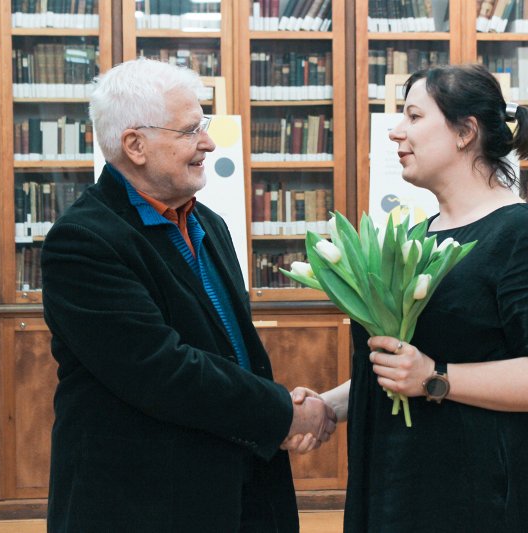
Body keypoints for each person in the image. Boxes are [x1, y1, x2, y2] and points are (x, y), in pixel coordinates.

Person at [290, 64, 528, 531]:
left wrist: (438, 379)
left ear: (465, 132)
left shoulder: (522, 236)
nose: (395, 132)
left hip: (482, 500)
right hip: (401, 487)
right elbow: (401, 364)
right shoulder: (416, 238)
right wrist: (328, 406)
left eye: (413, 116)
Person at [41, 58, 336, 532]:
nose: (209, 143)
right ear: (134, 144)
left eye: (204, 126)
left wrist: (277, 410)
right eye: (189, 130)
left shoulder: (208, 224)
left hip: (238, 484)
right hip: (145, 503)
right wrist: (282, 411)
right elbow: (162, 369)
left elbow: (230, 349)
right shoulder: (83, 241)